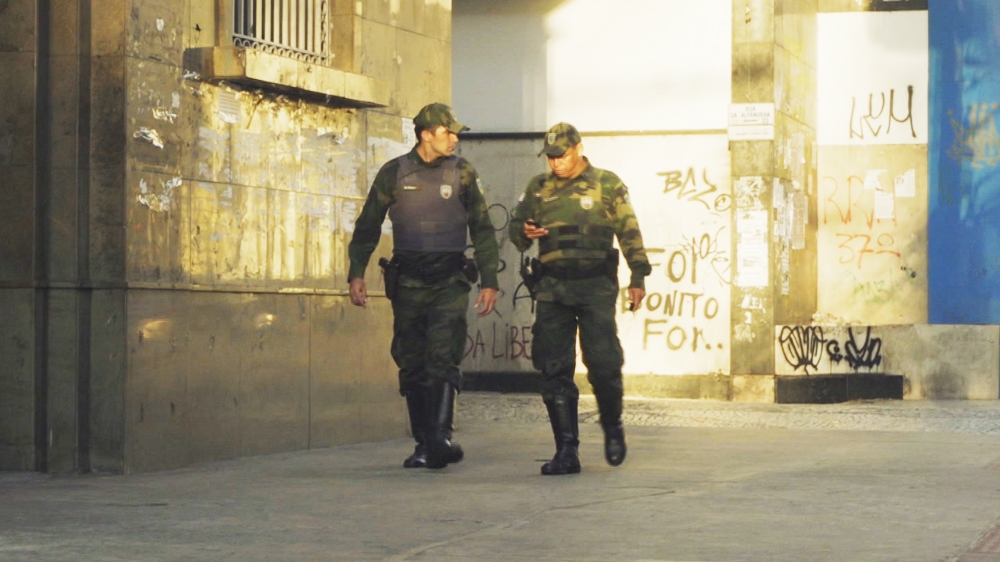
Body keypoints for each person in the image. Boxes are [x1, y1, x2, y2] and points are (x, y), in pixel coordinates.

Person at [348, 103, 499, 469]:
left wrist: (490, 281)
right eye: (448, 132)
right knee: (412, 361)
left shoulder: (463, 172)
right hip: (409, 282)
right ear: (426, 135)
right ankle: (424, 443)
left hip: (449, 280)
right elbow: (368, 225)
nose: (455, 138)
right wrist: (356, 272)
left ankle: (440, 437)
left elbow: (482, 228)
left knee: (443, 357)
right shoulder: (394, 173)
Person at [509, 122, 650, 475]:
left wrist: (638, 276)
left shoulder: (606, 183)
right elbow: (516, 231)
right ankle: (566, 450)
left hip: (594, 289)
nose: (555, 162)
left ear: (578, 149)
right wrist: (524, 231)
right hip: (552, 290)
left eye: (561, 155)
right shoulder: (539, 188)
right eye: (550, 157)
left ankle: (612, 424)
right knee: (553, 368)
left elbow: (629, 230)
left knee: (603, 363)